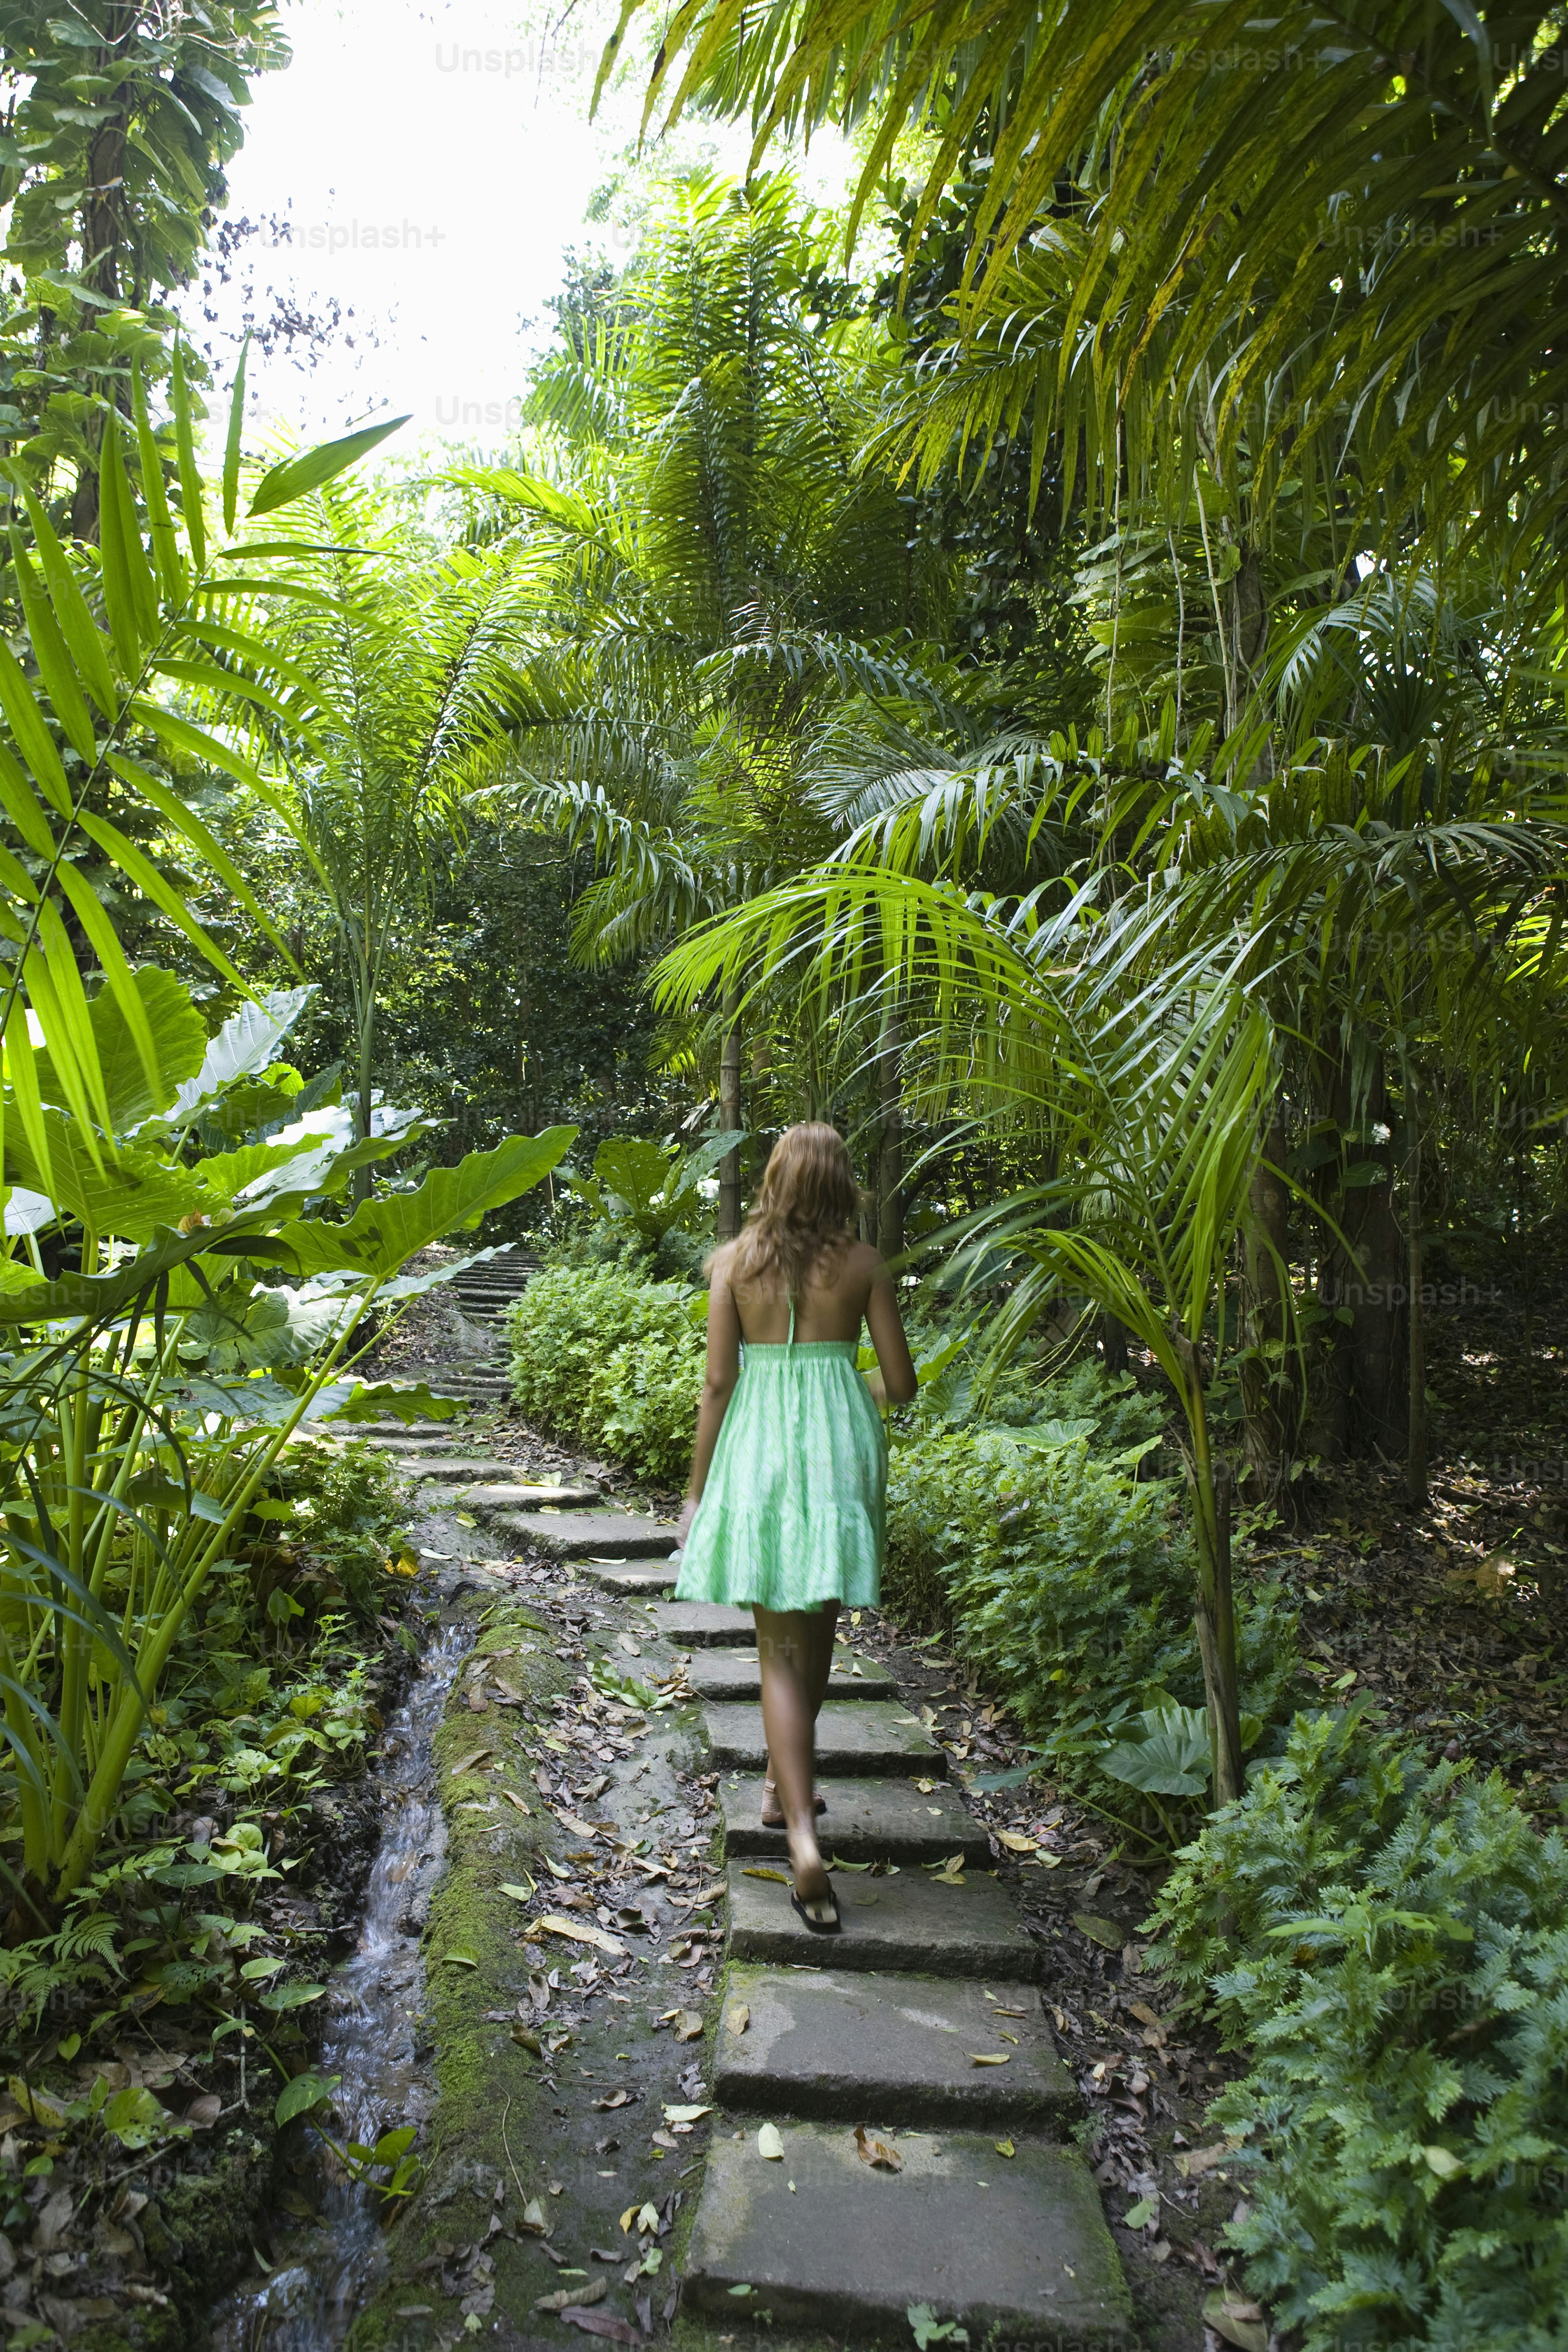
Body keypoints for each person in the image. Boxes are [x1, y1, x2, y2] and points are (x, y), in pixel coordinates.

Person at [672, 1125, 917, 1931]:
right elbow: (902, 1382)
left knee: (775, 1650)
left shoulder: (734, 1264)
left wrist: (697, 1490)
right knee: (817, 1639)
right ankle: (793, 1801)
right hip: (837, 1455)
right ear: (842, 1181)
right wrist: (849, 1399)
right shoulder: (864, 1264)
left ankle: (796, 1824)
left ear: (774, 1180)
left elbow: (717, 1381)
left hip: (759, 1452)